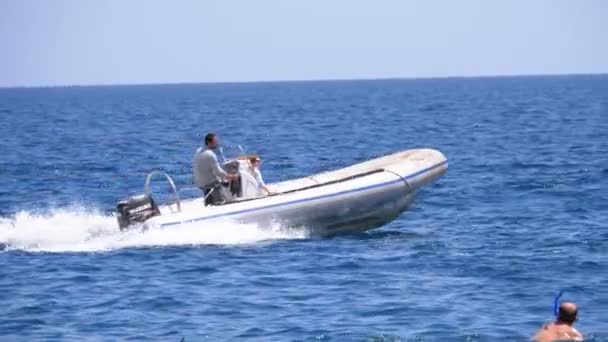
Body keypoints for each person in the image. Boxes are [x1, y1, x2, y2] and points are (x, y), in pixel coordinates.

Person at [192, 133, 238, 205]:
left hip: (200, 182)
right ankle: (219, 202)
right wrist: (231, 176)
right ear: (209, 142)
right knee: (220, 201)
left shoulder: (198, 151)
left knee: (209, 203)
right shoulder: (210, 155)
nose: (217, 143)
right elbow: (218, 172)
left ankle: (209, 203)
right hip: (211, 183)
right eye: (215, 142)